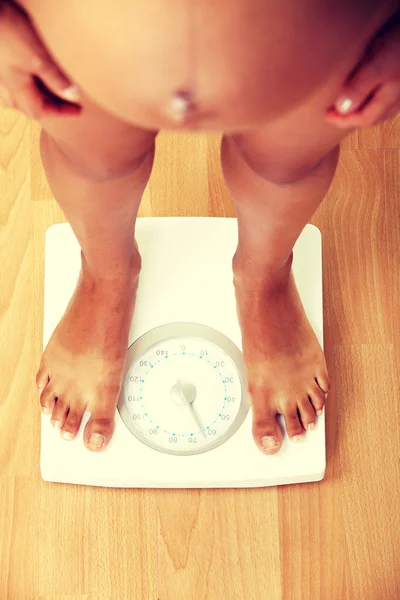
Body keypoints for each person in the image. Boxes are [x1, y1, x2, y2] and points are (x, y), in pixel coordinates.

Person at [1, 0, 399, 455]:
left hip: (324, 54)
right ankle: (105, 277)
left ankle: (264, 279)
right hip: (76, 51)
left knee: (285, 170)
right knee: (93, 165)